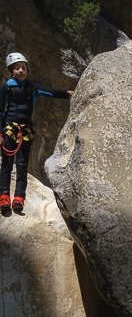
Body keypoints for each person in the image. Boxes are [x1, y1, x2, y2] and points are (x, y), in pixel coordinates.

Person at [0, 52, 73, 216]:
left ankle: (18, 199)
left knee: (22, 165)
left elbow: (50, 92)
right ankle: (4, 198)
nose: (21, 70)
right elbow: (0, 112)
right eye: (17, 68)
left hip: (25, 131)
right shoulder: (6, 88)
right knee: (6, 164)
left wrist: (66, 94)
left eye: (23, 68)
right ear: (11, 71)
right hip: (9, 129)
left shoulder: (32, 87)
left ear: (27, 69)